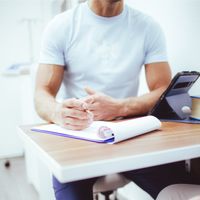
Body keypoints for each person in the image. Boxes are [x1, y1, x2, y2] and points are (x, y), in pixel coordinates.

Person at [34, 0, 195, 199]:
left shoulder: (147, 26)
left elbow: (162, 89)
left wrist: (119, 107)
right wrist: (57, 112)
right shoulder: (61, 26)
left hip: (130, 136)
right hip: (79, 140)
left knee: (184, 189)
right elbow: (42, 93)